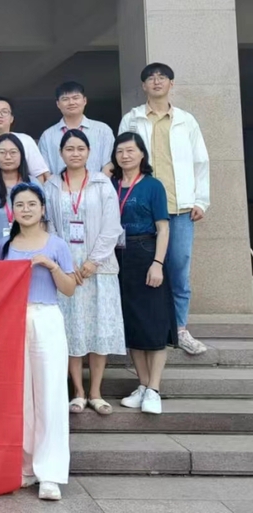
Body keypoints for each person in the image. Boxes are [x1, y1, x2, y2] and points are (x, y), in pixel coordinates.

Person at [118, 62, 210, 356]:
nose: (156, 81)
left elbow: (200, 161)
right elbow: (122, 156)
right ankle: (145, 330)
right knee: (141, 272)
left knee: (178, 268)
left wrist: (201, 200)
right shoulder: (132, 119)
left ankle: (180, 328)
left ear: (172, 83)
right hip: (142, 209)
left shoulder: (186, 120)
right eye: (150, 78)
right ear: (143, 86)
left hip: (179, 207)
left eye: (162, 77)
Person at [1, 183, 76, 502]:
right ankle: (26, 466)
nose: (26, 209)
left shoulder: (56, 244)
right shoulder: (5, 246)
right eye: (20, 204)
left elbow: (69, 288)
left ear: (43, 209)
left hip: (46, 318)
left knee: (50, 394)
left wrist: (51, 265)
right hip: (15, 321)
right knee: (21, 395)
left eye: (32, 204)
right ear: (12, 211)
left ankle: (50, 473)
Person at [44, 130, 125, 416]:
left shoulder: (102, 183)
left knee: (99, 327)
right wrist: (65, 264)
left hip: (98, 268)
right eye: (69, 149)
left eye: (80, 148)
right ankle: (78, 391)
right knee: (72, 327)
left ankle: (96, 392)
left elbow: (112, 226)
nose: (75, 153)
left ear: (89, 152)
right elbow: (49, 225)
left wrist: (93, 261)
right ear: (61, 153)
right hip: (67, 269)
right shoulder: (52, 185)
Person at [113, 133, 177, 415]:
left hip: (146, 252)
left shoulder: (153, 185)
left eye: (130, 150)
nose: (125, 156)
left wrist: (157, 263)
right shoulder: (111, 185)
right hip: (117, 256)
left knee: (153, 321)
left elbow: (163, 228)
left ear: (142, 154)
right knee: (132, 323)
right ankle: (141, 384)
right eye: (120, 151)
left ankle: (154, 388)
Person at [0, 134, 42, 255]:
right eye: (2, 152)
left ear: (21, 155)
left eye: (13, 152)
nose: (8, 157)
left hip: (32, 251)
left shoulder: (33, 184)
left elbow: (43, 220)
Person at [38, 82, 115, 175]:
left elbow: (109, 164)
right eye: (65, 99)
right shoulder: (47, 136)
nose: (71, 102)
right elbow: (44, 171)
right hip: (59, 184)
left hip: (97, 183)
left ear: (84, 100)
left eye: (75, 98)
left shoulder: (103, 130)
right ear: (58, 104)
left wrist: (98, 184)